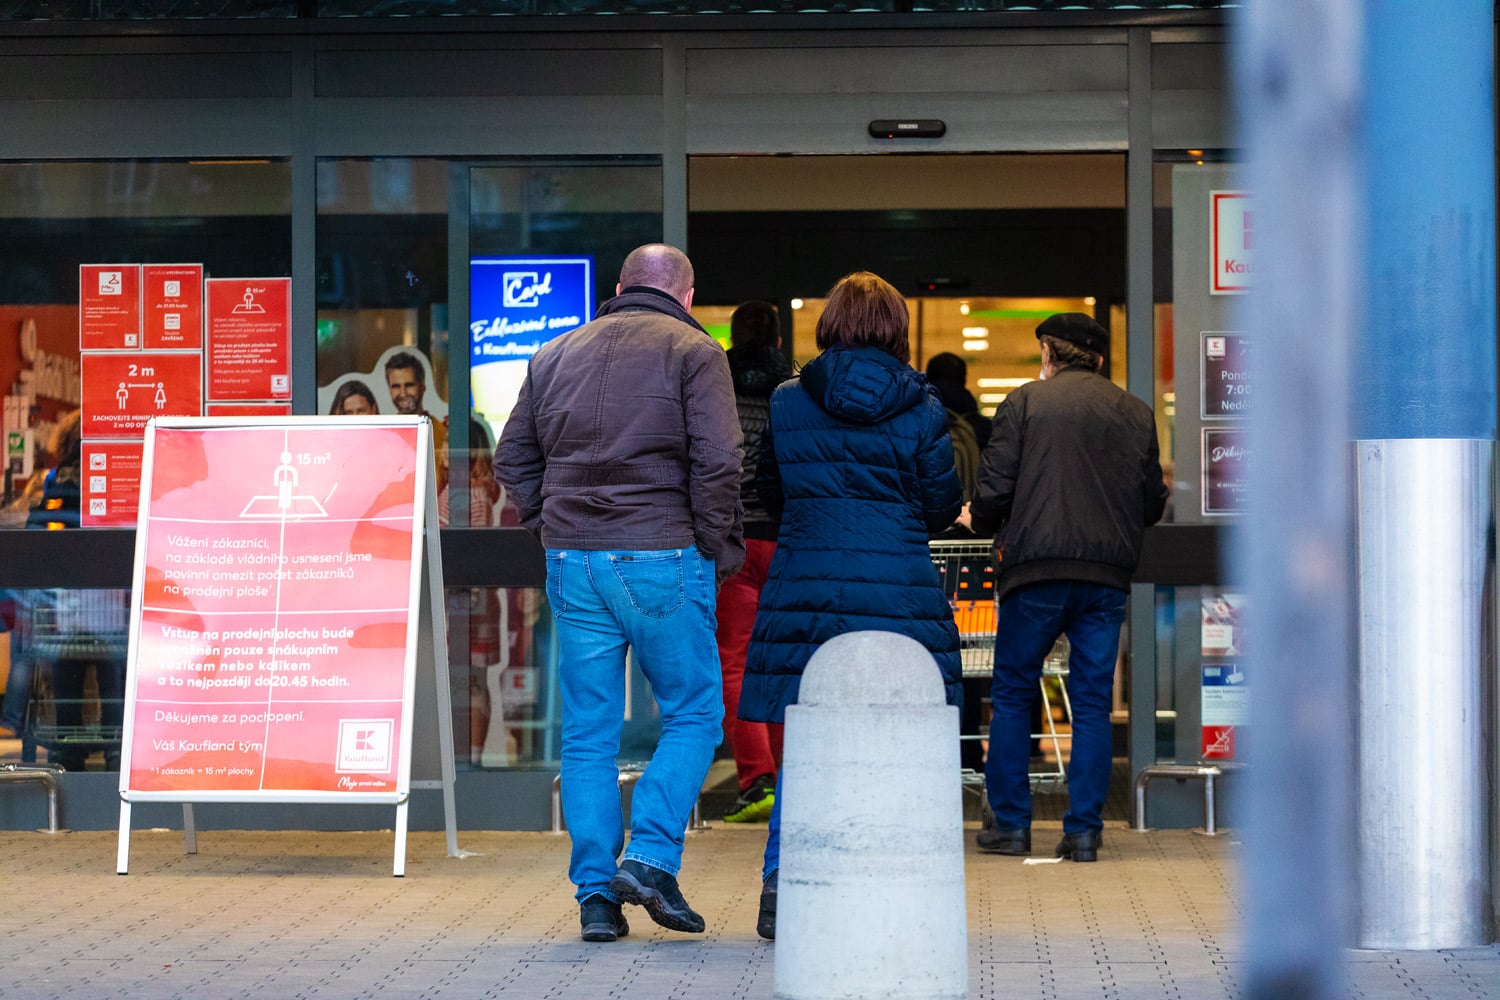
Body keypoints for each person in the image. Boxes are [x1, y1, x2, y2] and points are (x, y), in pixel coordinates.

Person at [494, 244, 743, 943]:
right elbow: (720, 460)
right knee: (694, 711)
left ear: (617, 288)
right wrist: (714, 542)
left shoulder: (554, 353)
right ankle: (651, 856)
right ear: (687, 297)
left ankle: (596, 899)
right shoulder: (696, 352)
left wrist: (554, 520)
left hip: (574, 562)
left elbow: (512, 456)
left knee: (588, 734)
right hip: (663, 551)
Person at [739, 271, 963, 941]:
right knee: (899, 741)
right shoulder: (923, 410)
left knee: (806, 744)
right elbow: (941, 505)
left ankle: (781, 889)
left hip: (804, 585)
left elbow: (767, 491)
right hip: (900, 593)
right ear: (896, 330)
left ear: (829, 324)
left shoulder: (786, 402)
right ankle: (892, 886)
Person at [962, 313, 1168, 863]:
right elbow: (1153, 502)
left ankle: (1010, 825)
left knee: (1011, 692)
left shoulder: (1025, 403)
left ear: (1049, 356)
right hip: (1104, 579)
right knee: (1093, 703)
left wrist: (979, 519)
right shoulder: (1136, 413)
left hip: (1035, 573)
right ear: (1099, 359)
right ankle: (1083, 832)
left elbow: (994, 489)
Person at [714, 300, 792, 824]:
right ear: (779, 342)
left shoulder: (714, 386)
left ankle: (756, 777)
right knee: (784, 659)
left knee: (736, 662)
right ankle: (792, 776)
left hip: (735, 541)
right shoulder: (796, 390)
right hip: (786, 540)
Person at [384, 350, 449, 491]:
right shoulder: (383, 437)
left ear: (422, 386)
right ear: (389, 389)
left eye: (409, 385)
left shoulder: (442, 432)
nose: (403, 393)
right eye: (396, 386)